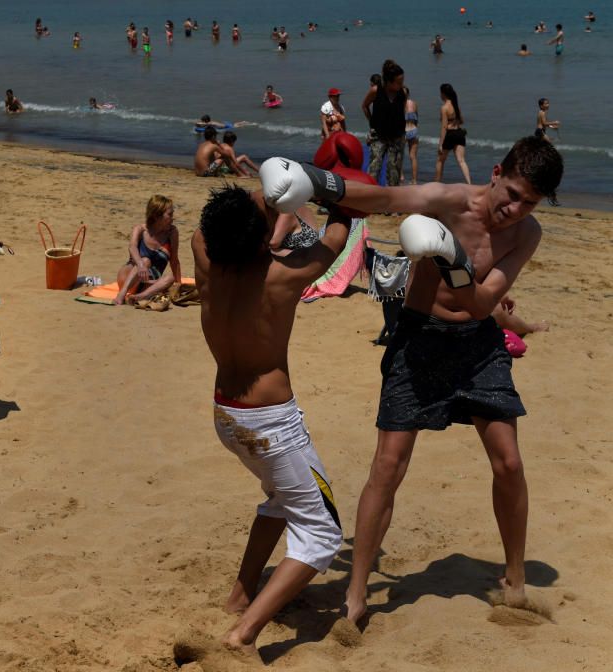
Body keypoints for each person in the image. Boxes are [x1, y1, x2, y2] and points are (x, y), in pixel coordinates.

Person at [260, 137, 564, 630]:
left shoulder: (527, 234)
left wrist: (451, 258)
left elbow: (481, 306)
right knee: (388, 465)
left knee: (508, 462)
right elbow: (384, 198)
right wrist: (314, 181)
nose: (514, 209)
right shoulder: (449, 200)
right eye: (512, 194)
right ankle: (356, 595)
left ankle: (514, 578)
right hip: (419, 339)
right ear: (496, 173)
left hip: (478, 346)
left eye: (528, 202)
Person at [190, 179, 356, 660]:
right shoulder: (281, 276)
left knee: (281, 497)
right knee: (322, 532)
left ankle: (241, 595)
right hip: (271, 425)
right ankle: (242, 636)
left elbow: (212, 227)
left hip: (227, 413)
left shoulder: (204, 257)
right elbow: (338, 232)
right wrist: (328, 189)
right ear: (264, 236)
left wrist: (262, 211)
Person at [113, 195, 181, 305]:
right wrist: (140, 264)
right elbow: (132, 247)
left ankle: (140, 296)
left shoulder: (172, 233)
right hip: (127, 278)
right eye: (170, 214)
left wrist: (179, 284)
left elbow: (174, 260)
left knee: (171, 278)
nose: (173, 218)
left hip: (147, 283)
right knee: (146, 261)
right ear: (157, 216)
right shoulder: (140, 229)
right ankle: (121, 295)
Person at [362, 59, 407, 186]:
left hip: (397, 136)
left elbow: (402, 112)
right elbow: (364, 106)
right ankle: (371, 194)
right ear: (389, 81)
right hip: (379, 135)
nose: (402, 84)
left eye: (402, 81)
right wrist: (372, 122)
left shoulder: (402, 93)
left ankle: (392, 195)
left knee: (394, 172)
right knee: (374, 168)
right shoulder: (376, 91)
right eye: (399, 82)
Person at [434, 83, 471, 184]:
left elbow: (444, 127)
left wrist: (440, 144)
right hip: (459, 133)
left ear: (443, 94)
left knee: (440, 160)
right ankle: (469, 183)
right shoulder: (456, 105)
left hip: (449, 134)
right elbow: (462, 121)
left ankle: (436, 183)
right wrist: (454, 121)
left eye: (440, 93)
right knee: (461, 160)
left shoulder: (444, 108)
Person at [404, 91, 419, 184]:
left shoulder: (400, 104)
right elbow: (417, 118)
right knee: (413, 157)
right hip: (414, 129)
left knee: (399, 155)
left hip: (404, 131)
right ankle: (414, 180)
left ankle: (401, 176)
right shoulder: (414, 104)